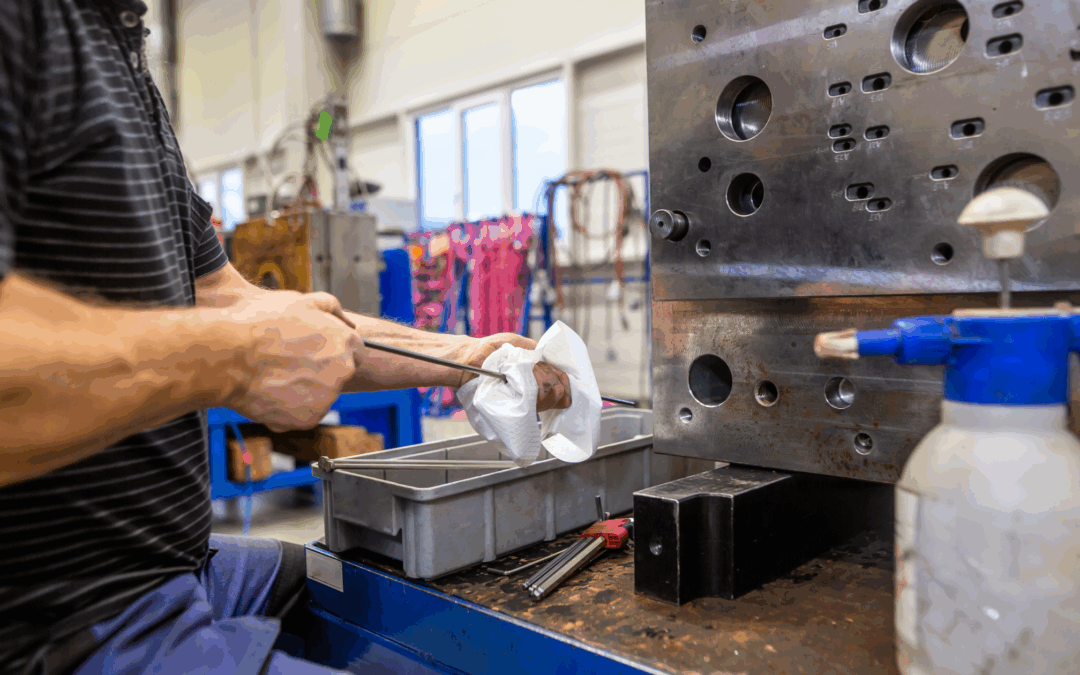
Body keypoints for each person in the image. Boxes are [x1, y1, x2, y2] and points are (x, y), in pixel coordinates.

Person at [0, 1, 572, 673]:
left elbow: (232, 302)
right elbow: (239, 337)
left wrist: (468, 358)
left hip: (179, 568)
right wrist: (236, 356)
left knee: (399, 600)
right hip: (64, 617)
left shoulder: (116, 46)